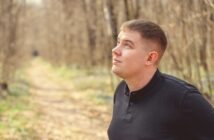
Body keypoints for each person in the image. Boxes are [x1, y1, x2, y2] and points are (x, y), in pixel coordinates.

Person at [107, 19, 214, 140]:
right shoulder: (121, 90)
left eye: (127, 45)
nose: (115, 50)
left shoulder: (183, 98)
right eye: (118, 42)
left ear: (150, 58)